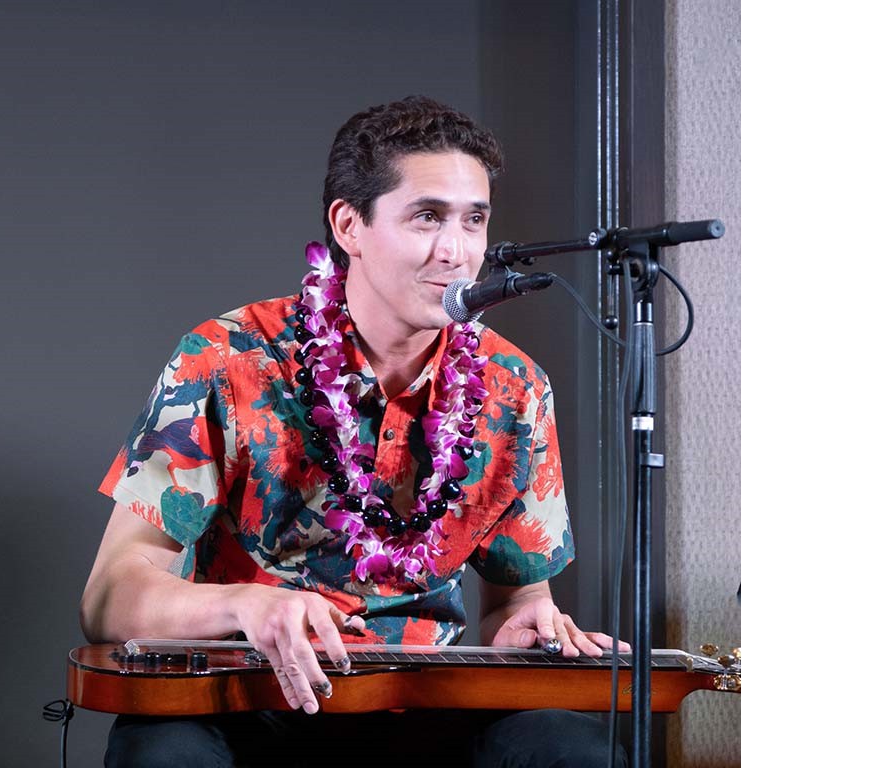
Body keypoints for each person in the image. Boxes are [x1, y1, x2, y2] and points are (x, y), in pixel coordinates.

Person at [81, 95, 629, 767]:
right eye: (427, 217)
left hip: (427, 709)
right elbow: (109, 596)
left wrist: (525, 625)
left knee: (573, 748)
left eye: (474, 220)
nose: (457, 252)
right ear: (349, 225)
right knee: (160, 753)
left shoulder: (515, 387)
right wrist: (246, 607)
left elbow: (516, 600)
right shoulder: (227, 357)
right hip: (248, 699)